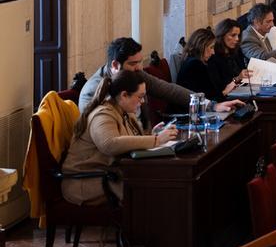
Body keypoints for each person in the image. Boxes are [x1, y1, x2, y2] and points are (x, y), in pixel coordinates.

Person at [62, 72, 179, 205]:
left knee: (162, 180)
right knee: (155, 187)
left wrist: (153, 134)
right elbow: (109, 144)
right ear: (124, 95)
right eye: (140, 97)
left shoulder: (124, 110)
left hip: (109, 174)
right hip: (87, 181)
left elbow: (129, 140)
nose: (142, 101)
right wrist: (156, 140)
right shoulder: (103, 114)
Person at [78, 37, 241, 120]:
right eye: (133, 63)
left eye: (140, 62)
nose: (139, 68)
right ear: (115, 65)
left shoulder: (135, 74)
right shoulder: (92, 90)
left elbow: (169, 90)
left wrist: (211, 105)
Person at [176, 27, 237, 101]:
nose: (213, 52)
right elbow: (207, 99)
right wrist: (225, 91)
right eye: (211, 47)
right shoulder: (195, 65)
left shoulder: (194, 61)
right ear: (201, 46)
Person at [210, 18, 249, 91]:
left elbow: (242, 70)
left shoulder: (237, 51)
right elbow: (220, 86)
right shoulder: (214, 56)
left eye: (238, 35)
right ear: (222, 35)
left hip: (241, 89)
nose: (237, 39)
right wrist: (237, 78)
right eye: (233, 35)